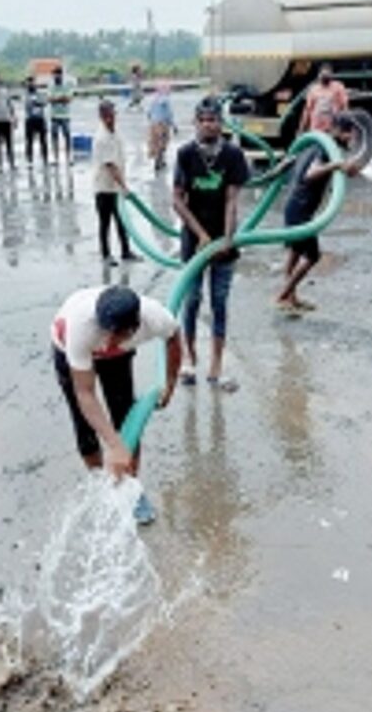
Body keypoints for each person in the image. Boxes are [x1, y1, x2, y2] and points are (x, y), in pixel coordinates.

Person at [51, 284, 182, 524]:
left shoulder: (154, 317)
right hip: (68, 351)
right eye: (105, 331)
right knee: (84, 428)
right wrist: (113, 445)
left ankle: (130, 490)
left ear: (135, 327)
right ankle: (101, 485)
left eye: (116, 334)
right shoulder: (81, 326)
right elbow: (85, 393)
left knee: (126, 417)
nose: (107, 340)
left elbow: (174, 339)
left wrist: (170, 382)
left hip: (118, 357)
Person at [173, 96, 249, 392]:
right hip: (194, 243)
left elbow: (231, 200)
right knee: (191, 301)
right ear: (196, 122)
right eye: (203, 119)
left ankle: (216, 364)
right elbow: (177, 200)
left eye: (214, 119)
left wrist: (227, 239)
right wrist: (201, 235)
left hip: (223, 243)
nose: (208, 124)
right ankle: (190, 359)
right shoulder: (185, 154)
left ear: (221, 122)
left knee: (219, 302)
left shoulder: (232, 155)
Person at [277, 110, 358, 312]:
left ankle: (291, 298)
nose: (351, 137)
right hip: (301, 211)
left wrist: (342, 167)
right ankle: (283, 295)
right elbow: (310, 174)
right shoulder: (325, 148)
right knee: (313, 256)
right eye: (348, 133)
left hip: (297, 207)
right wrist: (337, 165)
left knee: (294, 254)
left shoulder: (322, 146)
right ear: (338, 131)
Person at [92, 98, 139, 266]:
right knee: (105, 223)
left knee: (121, 221)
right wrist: (125, 187)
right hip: (104, 188)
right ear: (102, 116)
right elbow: (111, 166)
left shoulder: (114, 132)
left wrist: (121, 186)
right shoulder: (102, 137)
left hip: (115, 188)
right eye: (107, 115)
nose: (111, 118)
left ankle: (126, 251)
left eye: (112, 114)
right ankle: (106, 255)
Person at [298, 62, 349, 134]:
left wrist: (345, 127)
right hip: (316, 128)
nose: (325, 76)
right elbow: (307, 109)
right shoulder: (313, 89)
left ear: (331, 74)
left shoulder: (338, 87)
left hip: (332, 128)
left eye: (327, 74)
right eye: (323, 74)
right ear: (319, 75)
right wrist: (301, 128)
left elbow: (345, 107)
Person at [146, 82, 177, 172]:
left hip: (153, 124)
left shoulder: (154, 100)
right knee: (163, 142)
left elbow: (149, 113)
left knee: (155, 142)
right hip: (163, 125)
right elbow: (169, 114)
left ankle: (158, 159)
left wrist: (152, 120)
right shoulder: (166, 100)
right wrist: (174, 126)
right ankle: (160, 159)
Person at [48, 65, 73, 165]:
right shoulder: (51, 86)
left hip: (65, 116)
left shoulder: (67, 85)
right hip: (54, 116)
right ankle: (56, 158)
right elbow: (49, 99)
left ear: (61, 75)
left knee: (67, 136)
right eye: (55, 75)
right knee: (54, 137)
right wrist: (61, 98)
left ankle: (68, 157)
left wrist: (57, 99)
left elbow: (68, 99)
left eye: (58, 74)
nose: (56, 76)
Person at [23, 76, 49, 167]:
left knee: (43, 140)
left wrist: (38, 102)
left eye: (32, 82)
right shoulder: (25, 94)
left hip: (40, 118)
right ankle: (29, 160)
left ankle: (45, 159)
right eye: (29, 83)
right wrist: (37, 103)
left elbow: (44, 103)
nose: (31, 84)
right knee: (29, 140)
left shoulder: (40, 93)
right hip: (30, 119)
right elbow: (28, 105)